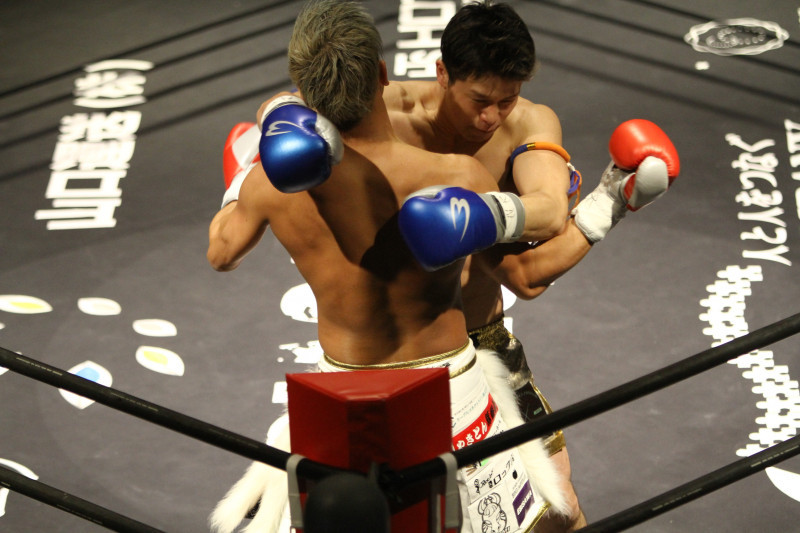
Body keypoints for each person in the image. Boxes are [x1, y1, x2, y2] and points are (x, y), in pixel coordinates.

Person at [205, 1, 590, 532]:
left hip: (341, 390)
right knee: (554, 520)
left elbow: (221, 253)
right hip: (448, 384)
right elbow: (524, 272)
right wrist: (607, 202)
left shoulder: (270, 186)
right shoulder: (459, 175)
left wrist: (249, 168)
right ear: (382, 75)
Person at [382, 2, 679, 532]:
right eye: (479, 100)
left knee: (558, 511)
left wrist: (606, 202)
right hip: (395, 351)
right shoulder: (388, 114)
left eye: (506, 99)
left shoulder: (530, 122)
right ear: (443, 73)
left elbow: (527, 270)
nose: (491, 117)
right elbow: (289, 104)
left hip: (483, 339)